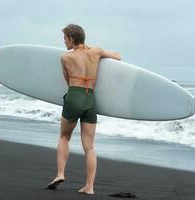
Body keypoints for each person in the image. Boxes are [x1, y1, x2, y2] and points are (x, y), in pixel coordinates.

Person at [46, 24, 121, 195]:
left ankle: (60, 174)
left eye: (65, 38)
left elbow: (67, 80)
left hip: (74, 95)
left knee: (64, 137)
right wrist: (96, 54)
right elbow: (118, 56)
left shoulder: (65, 57)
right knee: (89, 147)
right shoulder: (95, 51)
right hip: (90, 99)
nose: (63, 41)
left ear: (72, 39)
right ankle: (90, 187)